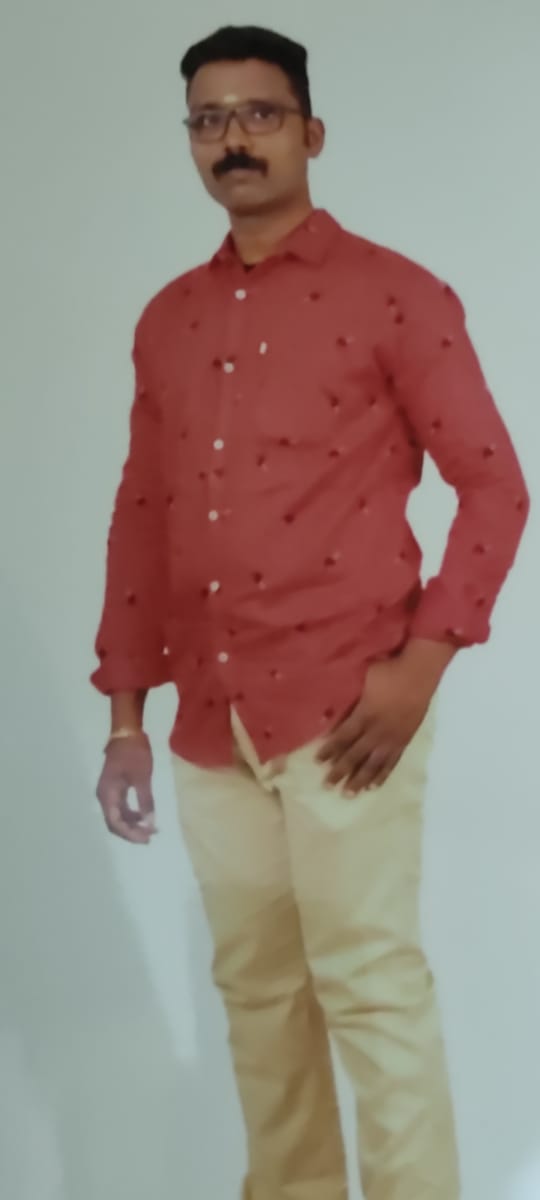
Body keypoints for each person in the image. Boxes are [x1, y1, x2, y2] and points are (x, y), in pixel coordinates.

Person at [91, 23, 530, 1200]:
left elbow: (496, 485)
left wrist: (420, 669)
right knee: (258, 995)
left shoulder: (396, 295)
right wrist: (127, 716)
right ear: (191, 139)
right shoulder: (168, 319)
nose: (233, 139)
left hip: (349, 707)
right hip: (210, 718)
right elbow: (142, 512)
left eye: (259, 114)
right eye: (209, 120)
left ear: (311, 132)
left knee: (371, 989)